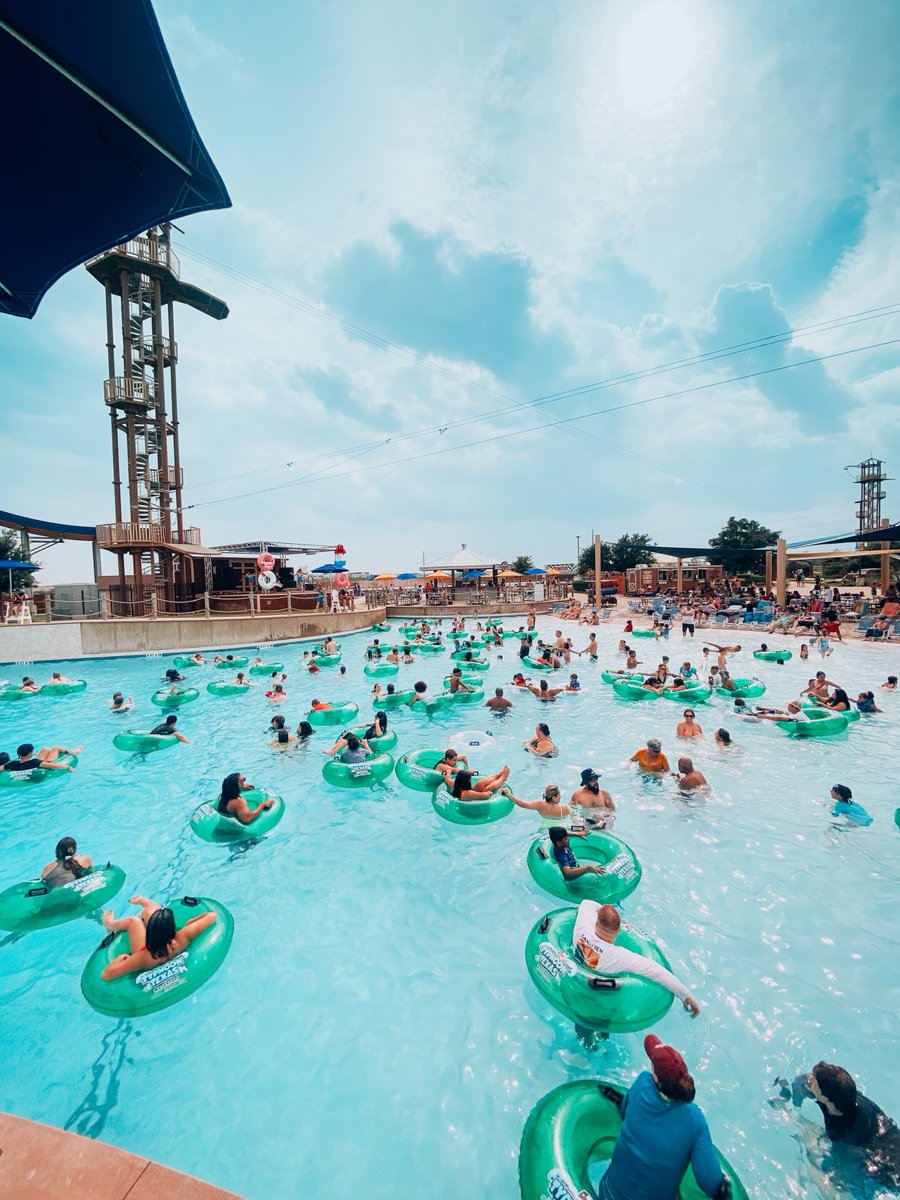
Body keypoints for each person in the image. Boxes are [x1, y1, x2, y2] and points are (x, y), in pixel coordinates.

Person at [596, 1035, 726, 1200]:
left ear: (656, 1078)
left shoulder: (642, 1084)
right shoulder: (694, 1119)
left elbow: (625, 1111)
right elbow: (710, 1183)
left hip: (607, 1193)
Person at [772, 1062, 900, 1193]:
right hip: (882, 1136)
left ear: (826, 1098)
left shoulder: (846, 1136)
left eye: (814, 1081)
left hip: (886, 1165)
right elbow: (798, 1085)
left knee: (820, 1175)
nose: (810, 1080)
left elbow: (839, 1177)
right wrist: (787, 1098)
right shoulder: (843, 1096)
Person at [573, 903, 701, 1016]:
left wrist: (604, 911)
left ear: (595, 922)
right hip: (599, 1000)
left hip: (574, 983)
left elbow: (588, 902)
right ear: (618, 930)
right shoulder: (618, 956)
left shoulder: (583, 926)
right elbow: (655, 970)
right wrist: (686, 995)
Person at [99, 895, 219, 981]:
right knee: (155, 914)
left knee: (134, 921)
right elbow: (212, 915)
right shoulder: (182, 937)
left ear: (149, 932)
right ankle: (147, 905)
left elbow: (106, 975)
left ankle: (109, 924)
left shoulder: (140, 958)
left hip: (150, 952)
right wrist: (191, 921)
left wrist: (122, 957)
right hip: (165, 947)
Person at [508, 788, 584, 830]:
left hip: (544, 830)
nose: (560, 797)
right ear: (554, 797)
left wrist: (508, 793)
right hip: (561, 831)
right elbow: (577, 821)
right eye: (559, 795)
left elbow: (522, 804)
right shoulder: (564, 808)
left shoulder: (539, 804)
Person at [1, 743, 80, 774]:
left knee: (45, 749)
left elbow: (1, 767)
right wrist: (68, 767)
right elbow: (52, 766)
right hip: (42, 765)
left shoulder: (12, 764)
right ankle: (73, 752)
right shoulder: (34, 762)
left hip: (26, 764)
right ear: (30, 753)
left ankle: (72, 751)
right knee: (56, 748)